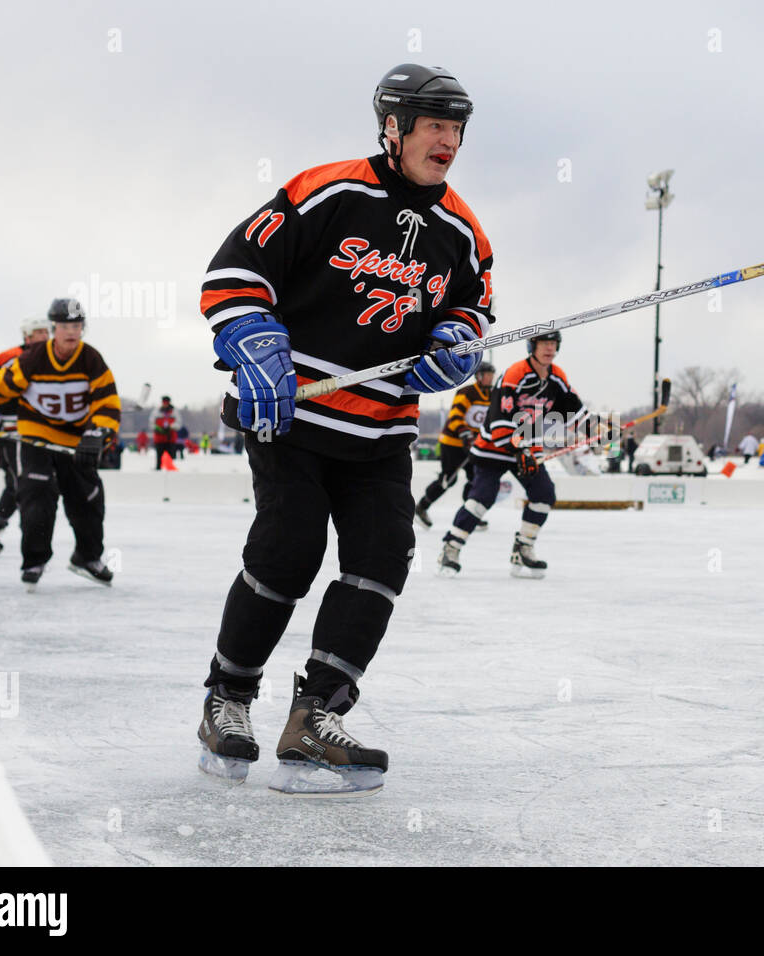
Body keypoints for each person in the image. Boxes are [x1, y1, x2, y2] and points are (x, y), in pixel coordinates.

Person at [194, 64, 493, 796]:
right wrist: (256, 343)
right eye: (433, 125)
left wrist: (455, 343)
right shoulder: (326, 190)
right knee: (290, 544)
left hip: (381, 434)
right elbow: (233, 274)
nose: (448, 141)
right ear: (392, 128)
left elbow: (473, 309)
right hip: (291, 416)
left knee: (384, 556)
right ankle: (227, 699)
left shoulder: (463, 230)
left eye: (457, 127)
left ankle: (315, 716)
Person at [0, 299, 120, 587]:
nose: (71, 332)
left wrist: (98, 434)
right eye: (64, 326)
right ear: (53, 328)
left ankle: (87, 557)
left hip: (76, 440)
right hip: (36, 434)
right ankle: (35, 561)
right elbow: (0, 389)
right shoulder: (33, 357)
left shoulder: (92, 359)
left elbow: (107, 403)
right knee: (37, 494)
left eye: (77, 326)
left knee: (88, 497)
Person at [437, 330, 587, 579]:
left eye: (553, 344)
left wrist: (604, 430)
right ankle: (450, 548)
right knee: (482, 498)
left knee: (543, 495)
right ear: (532, 346)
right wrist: (520, 449)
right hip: (494, 449)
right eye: (544, 344)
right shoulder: (515, 374)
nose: (549, 349)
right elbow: (500, 421)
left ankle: (523, 548)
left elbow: (575, 410)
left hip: (528, 450)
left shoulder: (557, 377)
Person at [0, 317, 52, 556]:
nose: (45, 336)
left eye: (47, 331)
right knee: (21, 484)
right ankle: (28, 543)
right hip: (14, 431)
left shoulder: (54, 358)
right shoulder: (9, 357)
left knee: (24, 485)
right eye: (39, 332)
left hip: (43, 431)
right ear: (27, 336)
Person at [414, 360, 494, 528]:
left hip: (472, 444)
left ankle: (470, 514)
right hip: (453, 443)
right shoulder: (467, 392)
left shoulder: (491, 395)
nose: (491, 379)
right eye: (488, 375)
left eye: (492, 375)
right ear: (479, 376)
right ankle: (421, 507)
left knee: (475, 478)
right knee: (448, 479)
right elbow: (456, 416)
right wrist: (465, 434)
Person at [153, 397, 177, 469]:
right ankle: (158, 468)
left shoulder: (174, 412)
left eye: (166, 402)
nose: (165, 404)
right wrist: (158, 428)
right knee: (159, 456)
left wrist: (171, 427)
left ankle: (169, 467)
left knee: (170, 455)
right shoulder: (156, 412)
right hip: (159, 439)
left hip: (170, 438)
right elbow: (152, 423)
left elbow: (178, 423)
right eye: (164, 402)